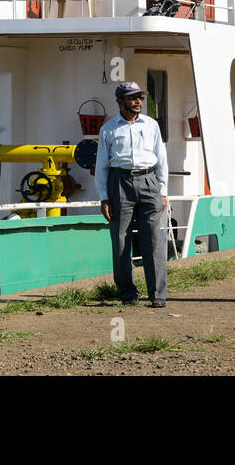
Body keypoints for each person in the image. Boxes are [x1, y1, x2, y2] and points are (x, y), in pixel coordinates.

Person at [95, 80, 169, 307]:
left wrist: (163, 190)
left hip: (149, 181)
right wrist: (104, 197)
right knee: (120, 239)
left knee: (153, 239)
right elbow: (102, 166)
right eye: (132, 98)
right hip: (120, 181)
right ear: (120, 102)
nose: (138, 102)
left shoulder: (151, 125)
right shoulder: (108, 129)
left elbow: (162, 158)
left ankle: (157, 295)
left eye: (140, 97)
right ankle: (127, 294)